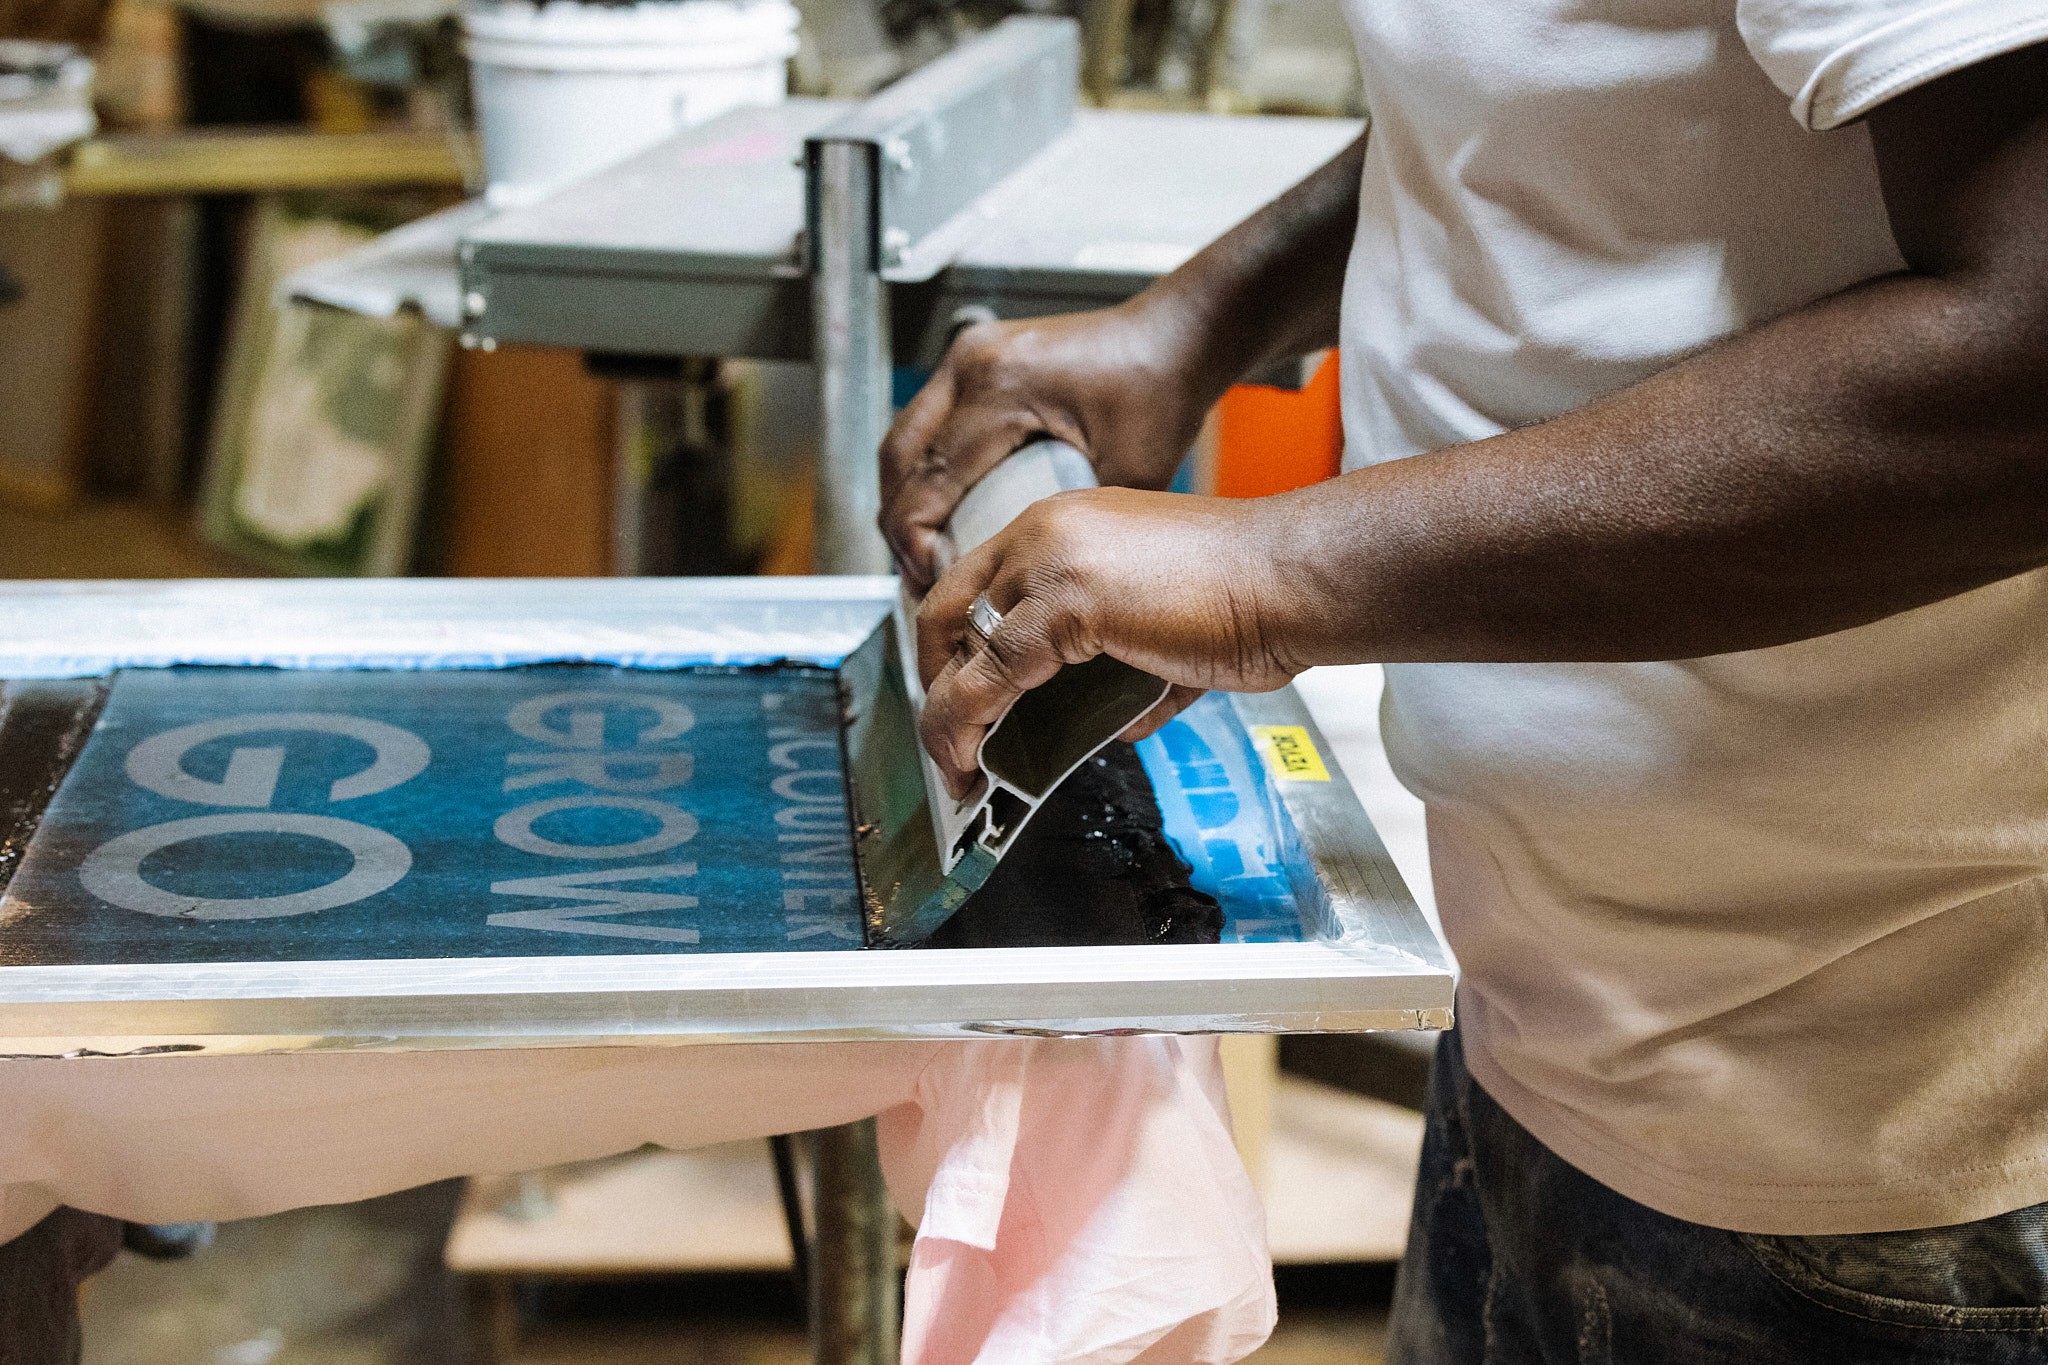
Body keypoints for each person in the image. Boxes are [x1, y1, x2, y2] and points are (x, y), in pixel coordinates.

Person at [882, 0, 2048, 1356]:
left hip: (1883, 1155)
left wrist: (1275, 572)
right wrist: (1202, 317)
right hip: (1535, 1015)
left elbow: (2028, 355)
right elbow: (1562, 96)